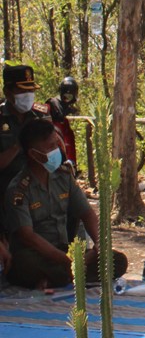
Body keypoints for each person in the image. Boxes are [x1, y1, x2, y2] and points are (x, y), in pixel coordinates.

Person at [4, 119, 127, 289]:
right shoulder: (19, 189)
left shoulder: (64, 176)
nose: (58, 150)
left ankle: (58, 278)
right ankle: (71, 274)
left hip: (65, 249)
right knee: (24, 265)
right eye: (51, 147)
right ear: (34, 154)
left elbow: (87, 213)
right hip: (36, 255)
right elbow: (27, 236)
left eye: (57, 143)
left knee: (118, 261)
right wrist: (67, 261)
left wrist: (99, 243)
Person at [0, 64, 51, 202]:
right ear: (7, 92)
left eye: (31, 90)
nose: (28, 95)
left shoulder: (41, 115)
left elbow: (53, 150)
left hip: (38, 190)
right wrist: (18, 146)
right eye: (22, 91)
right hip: (5, 191)